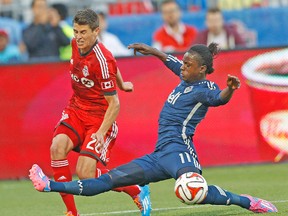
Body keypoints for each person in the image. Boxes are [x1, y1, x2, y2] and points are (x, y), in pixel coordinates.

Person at [29, 42, 278, 215]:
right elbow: (171, 61)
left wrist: (230, 89)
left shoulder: (206, 88)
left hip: (180, 151)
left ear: (201, 69)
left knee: (194, 192)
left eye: (188, 64)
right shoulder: (186, 75)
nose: (183, 66)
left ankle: (248, 202)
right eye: (184, 62)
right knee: (108, 180)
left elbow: (219, 100)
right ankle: (50, 185)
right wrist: (152, 51)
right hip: (159, 155)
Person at [31, 8, 151, 216]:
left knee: (86, 174)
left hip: (99, 118)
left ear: (96, 31)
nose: (78, 37)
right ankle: (71, 212)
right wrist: (122, 84)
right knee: (57, 147)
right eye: (76, 31)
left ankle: (135, 188)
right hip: (76, 109)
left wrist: (101, 132)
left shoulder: (102, 59)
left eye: (83, 32)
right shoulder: (75, 45)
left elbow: (115, 104)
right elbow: (113, 68)